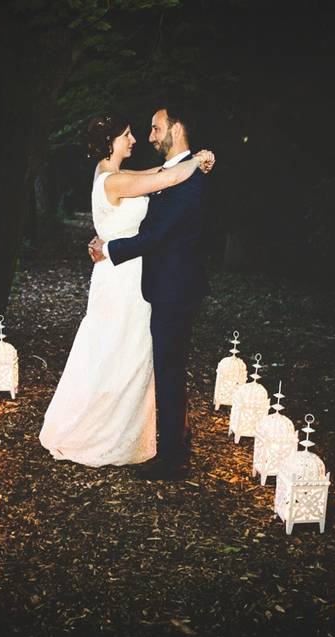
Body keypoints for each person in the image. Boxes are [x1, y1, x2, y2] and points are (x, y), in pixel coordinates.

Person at [38, 111, 214, 468]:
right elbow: (171, 175)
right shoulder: (113, 181)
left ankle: (136, 428)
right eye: (129, 135)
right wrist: (198, 159)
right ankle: (105, 430)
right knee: (117, 350)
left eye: (142, 131)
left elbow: (159, 175)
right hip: (120, 278)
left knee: (132, 354)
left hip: (131, 274)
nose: (136, 140)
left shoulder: (115, 174)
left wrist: (194, 161)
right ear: (111, 141)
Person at [88, 104, 210, 480]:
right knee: (161, 365)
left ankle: (173, 457)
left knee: (169, 369)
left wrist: (109, 249)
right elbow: (158, 179)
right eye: (135, 133)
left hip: (174, 287)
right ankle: (170, 442)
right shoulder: (170, 173)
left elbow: (158, 235)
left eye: (156, 129)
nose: (147, 136)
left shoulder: (188, 178)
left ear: (176, 129)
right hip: (154, 283)